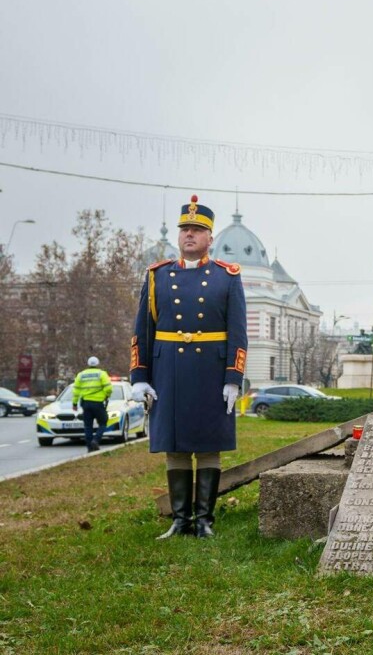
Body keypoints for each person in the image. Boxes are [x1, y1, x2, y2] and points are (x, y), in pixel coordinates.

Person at [130, 195, 248, 540]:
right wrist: (139, 377)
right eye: (185, 229)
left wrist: (233, 378)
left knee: (208, 444)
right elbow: (142, 331)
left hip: (211, 372)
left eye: (197, 230)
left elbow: (238, 333)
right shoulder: (158, 276)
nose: (189, 235)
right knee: (175, 443)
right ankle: (181, 521)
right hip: (170, 372)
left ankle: (205, 521)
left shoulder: (227, 277)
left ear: (211, 238)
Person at [71, 356, 112, 452]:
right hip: (98, 403)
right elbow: (109, 388)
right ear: (98, 364)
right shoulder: (101, 374)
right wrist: (107, 395)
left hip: (85, 403)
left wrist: (74, 403)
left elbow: (76, 390)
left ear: (88, 364)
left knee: (88, 426)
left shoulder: (81, 375)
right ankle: (96, 440)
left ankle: (90, 447)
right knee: (103, 422)